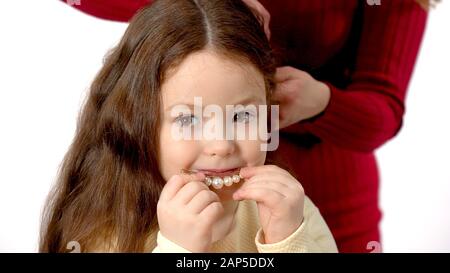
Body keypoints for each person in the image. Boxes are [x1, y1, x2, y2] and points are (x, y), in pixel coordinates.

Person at [61, 0, 430, 252]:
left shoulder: (298, 218)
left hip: (332, 182)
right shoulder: (108, 228)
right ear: (137, 120)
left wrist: (289, 241)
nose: (220, 144)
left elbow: (383, 106)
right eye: (188, 118)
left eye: (242, 117)